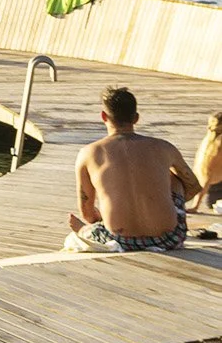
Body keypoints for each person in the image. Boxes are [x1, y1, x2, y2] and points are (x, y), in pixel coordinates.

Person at [68, 86, 198, 253]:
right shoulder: (164, 147)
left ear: (103, 116)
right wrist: (160, 198)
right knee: (176, 178)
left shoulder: (88, 153)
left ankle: (84, 231)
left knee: (87, 226)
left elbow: (87, 213)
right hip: (170, 238)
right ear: (136, 118)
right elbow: (193, 186)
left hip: (120, 239)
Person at [196, 113, 222, 212]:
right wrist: (196, 205)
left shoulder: (207, 141)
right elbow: (208, 176)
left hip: (211, 194)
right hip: (217, 196)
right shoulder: (217, 147)